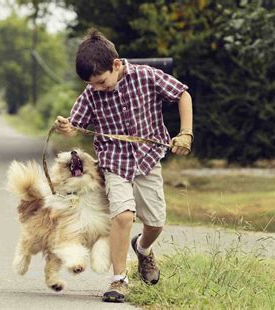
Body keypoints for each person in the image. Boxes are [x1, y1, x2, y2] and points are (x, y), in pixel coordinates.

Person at [54, 29, 193, 303]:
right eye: (92, 84)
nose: (97, 88)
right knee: (123, 216)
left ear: (116, 65)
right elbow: (76, 124)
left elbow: (182, 95)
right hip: (114, 162)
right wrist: (66, 127)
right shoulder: (91, 94)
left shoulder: (145, 76)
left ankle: (142, 249)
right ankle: (119, 280)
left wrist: (185, 133)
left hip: (148, 159)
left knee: (155, 223)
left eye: (102, 82)